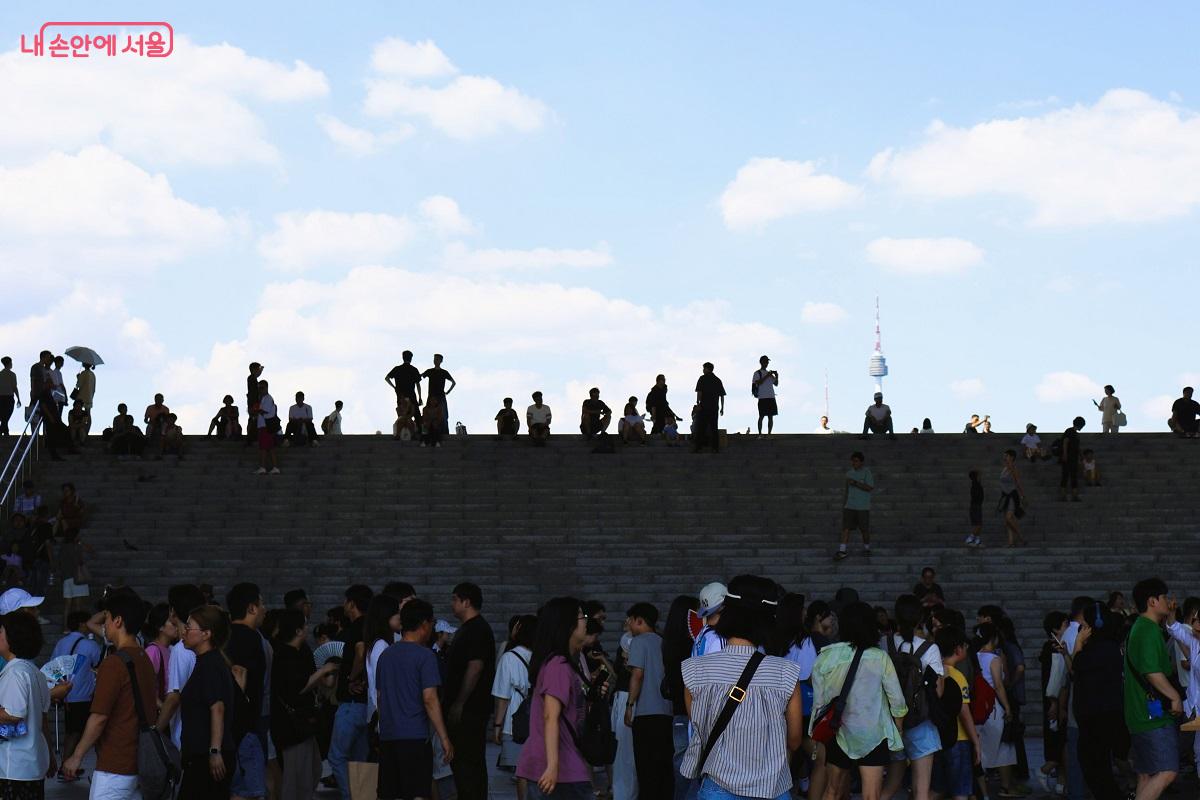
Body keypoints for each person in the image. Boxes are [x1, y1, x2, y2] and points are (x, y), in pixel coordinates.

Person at [679, 576, 803, 800]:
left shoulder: (694, 670)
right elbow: (794, 740)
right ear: (769, 621)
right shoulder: (786, 672)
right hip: (771, 788)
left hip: (718, 786)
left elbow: (702, 726)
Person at [62, 588, 157, 796]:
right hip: (138, 760)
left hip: (115, 766)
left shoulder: (114, 663)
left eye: (107, 618)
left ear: (118, 621)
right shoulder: (144, 658)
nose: (104, 625)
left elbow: (99, 717)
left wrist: (77, 755)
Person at [811, 600, 907, 800]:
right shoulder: (880, 658)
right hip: (873, 733)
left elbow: (819, 703)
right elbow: (897, 701)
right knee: (871, 795)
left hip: (837, 732)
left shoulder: (826, 657)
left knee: (832, 790)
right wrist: (898, 729)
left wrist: (817, 735)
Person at [376, 597, 454, 800]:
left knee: (390, 793)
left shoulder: (386, 655)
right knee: (418, 793)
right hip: (415, 736)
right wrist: (444, 738)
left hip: (388, 735)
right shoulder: (425, 656)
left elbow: (380, 696)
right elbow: (430, 699)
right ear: (424, 624)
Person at [516, 596, 591, 799]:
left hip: (560, 768)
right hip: (559, 772)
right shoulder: (558, 665)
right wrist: (552, 767)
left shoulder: (558, 663)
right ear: (567, 626)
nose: (585, 621)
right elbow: (551, 716)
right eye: (581, 616)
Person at [880, 595, 945, 800]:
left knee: (889, 784)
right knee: (921, 791)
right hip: (921, 722)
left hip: (889, 722)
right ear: (920, 619)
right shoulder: (930, 649)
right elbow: (939, 691)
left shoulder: (883, 644)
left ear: (895, 617)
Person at [1124, 578, 1181, 800]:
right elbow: (1151, 671)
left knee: (1146, 774)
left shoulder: (1141, 627)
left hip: (1139, 713)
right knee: (1167, 772)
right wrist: (1174, 696)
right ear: (1152, 601)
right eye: (1165, 597)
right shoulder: (1147, 630)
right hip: (1152, 717)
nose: (1168, 601)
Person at [271, 607, 335, 800]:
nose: (307, 627)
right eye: (305, 624)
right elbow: (298, 687)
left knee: (312, 769)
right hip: (291, 725)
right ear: (298, 630)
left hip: (305, 722)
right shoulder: (284, 655)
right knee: (297, 775)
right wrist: (324, 671)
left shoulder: (302, 650)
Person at [178, 604, 237, 799]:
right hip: (201, 756)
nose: (184, 632)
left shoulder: (210, 665)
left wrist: (214, 751)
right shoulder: (207, 662)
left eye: (189, 627)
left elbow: (217, 708)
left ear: (206, 634)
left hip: (207, 757)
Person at [445, 582, 496, 800]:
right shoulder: (470, 629)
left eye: (455, 599)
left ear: (466, 602)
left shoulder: (477, 629)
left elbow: (475, 667)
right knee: (467, 765)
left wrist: (460, 702)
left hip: (470, 711)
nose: (452, 604)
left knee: (467, 764)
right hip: (469, 709)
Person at [1070, 600, 1124, 800]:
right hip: (1109, 714)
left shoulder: (1092, 650)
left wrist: (1078, 644)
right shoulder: (1111, 647)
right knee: (1101, 766)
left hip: (1092, 717)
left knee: (1094, 766)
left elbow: (1075, 667)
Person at [622, 602, 673, 797]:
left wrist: (629, 705)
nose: (629, 625)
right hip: (666, 712)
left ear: (640, 620)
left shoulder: (639, 642)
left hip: (646, 714)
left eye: (631, 621)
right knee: (664, 768)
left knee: (646, 768)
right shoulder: (663, 642)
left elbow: (637, 674)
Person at [328, 584, 373, 800]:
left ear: (352, 604)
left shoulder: (356, 627)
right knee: (359, 760)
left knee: (337, 756)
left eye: (346, 602)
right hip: (366, 705)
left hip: (351, 704)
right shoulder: (372, 627)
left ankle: (351, 797)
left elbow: (360, 650)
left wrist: (351, 677)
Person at [0, 611, 53, 795]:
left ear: (12, 638)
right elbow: (43, 719)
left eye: (1, 632)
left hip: (15, 766)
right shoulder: (35, 672)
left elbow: (13, 715)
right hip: (33, 764)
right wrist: (51, 757)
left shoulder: (15, 673)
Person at [225, 582, 269, 800]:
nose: (264, 609)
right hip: (244, 730)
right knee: (247, 793)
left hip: (233, 729)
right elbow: (238, 673)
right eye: (262, 604)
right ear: (251, 608)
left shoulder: (227, 635)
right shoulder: (248, 637)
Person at [931, 627, 982, 800]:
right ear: (958, 649)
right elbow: (964, 713)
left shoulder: (933, 672)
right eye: (965, 646)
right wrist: (975, 742)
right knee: (960, 791)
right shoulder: (957, 676)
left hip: (937, 739)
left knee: (936, 789)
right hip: (958, 740)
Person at [971, 623, 1018, 796]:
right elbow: (999, 686)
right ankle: (1005, 786)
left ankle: (979, 789)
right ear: (994, 638)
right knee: (1001, 747)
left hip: (978, 707)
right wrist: (1008, 708)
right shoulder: (994, 659)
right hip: (993, 708)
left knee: (980, 748)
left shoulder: (974, 656)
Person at [493, 615, 536, 799]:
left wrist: (497, 726)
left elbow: (502, 696)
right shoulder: (541, 656)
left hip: (515, 721)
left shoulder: (508, 658)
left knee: (521, 772)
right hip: (538, 717)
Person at [364, 594, 402, 724]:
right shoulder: (381, 645)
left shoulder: (379, 643)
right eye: (397, 612)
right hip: (386, 717)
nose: (400, 616)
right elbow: (383, 686)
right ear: (385, 616)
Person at [836, 451, 874, 561]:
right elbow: (847, 490)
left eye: (856, 461)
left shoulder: (867, 472)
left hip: (862, 506)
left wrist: (856, 483)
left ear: (861, 462)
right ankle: (842, 550)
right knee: (846, 528)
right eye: (852, 461)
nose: (853, 463)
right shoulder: (849, 473)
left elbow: (870, 487)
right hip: (850, 506)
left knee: (864, 529)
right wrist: (844, 504)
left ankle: (866, 548)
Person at [143, 602, 177, 702]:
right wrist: (163, 709)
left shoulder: (171, 649)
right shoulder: (153, 651)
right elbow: (145, 687)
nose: (177, 626)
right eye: (173, 623)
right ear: (160, 627)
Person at [386, 351, 424, 437]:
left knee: (401, 415)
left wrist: (394, 386)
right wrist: (420, 397)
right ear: (411, 358)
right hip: (411, 395)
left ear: (403, 357)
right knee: (417, 415)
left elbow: (387, 378)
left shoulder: (397, 369)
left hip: (401, 396)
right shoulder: (414, 369)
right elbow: (418, 384)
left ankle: (400, 434)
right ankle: (419, 434)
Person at [693, 363, 726, 453]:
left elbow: (699, 392)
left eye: (704, 368)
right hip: (714, 407)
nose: (703, 370)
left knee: (701, 428)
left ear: (707, 369)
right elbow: (722, 396)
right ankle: (715, 448)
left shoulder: (702, 379)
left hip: (704, 407)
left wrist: (698, 403)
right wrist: (722, 408)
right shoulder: (717, 380)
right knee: (714, 428)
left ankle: (698, 447)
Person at [422, 354, 456, 437]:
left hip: (440, 397)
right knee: (428, 415)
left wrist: (447, 392)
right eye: (434, 359)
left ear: (440, 361)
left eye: (437, 359)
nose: (435, 361)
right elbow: (420, 376)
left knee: (443, 416)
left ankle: (444, 434)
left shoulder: (444, 372)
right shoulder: (429, 371)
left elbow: (453, 382)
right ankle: (426, 434)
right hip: (432, 396)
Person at [999, 450, 1027, 548]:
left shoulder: (1013, 468)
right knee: (1008, 521)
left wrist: (1023, 496)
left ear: (1011, 457)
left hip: (1011, 495)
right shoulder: (1005, 468)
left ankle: (1020, 537)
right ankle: (1011, 542)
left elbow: (1018, 482)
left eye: (1006, 455)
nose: (1004, 457)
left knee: (1008, 517)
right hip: (1005, 496)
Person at [254, 380, 281, 474]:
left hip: (266, 426)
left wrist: (257, 410)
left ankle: (265, 467)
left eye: (261, 388)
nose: (260, 390)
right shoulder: (263, 399)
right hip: (263, 426)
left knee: (265, 448)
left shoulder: (268, 398)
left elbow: (266, 411)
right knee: (267, 447)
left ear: (266, 387)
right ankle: (270, 467)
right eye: (259, 388)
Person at [1058, 417, 1085, 502]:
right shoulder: (1069, 431)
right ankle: (1063, 495)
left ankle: (1074, 495)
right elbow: (1065, 442)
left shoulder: (1076, 434)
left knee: (1073, 476)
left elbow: (1077, 446)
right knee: (1065, 475)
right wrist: (1065, 454)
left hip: (1074, 457)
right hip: (1068, 457)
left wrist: (1081, 455)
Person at [753, 355, 780, 435]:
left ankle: (769, 434)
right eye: (766, 361)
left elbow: (776, 384)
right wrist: (767, 375)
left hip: (771, 396)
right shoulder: (757, 373)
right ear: (761, 362)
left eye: (767, 362)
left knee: (770, 417)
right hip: (762, 397)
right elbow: (758, 383)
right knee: (761, 416)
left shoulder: (769, 374)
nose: (767, 363)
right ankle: (760, 434)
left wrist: (776, 376)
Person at [245, 362, 264, 447]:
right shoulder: (252, 379)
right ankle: (250, 438)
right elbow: (253, 393)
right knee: (254, 420)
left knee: (253, 420)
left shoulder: (251, 379)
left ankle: (251, 438)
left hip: (252, 403)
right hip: (253, 403)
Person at [0, 357, 19, 436]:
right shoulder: (12, 375)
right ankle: (4, 431)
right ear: (9, 363)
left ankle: (5, 431)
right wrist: (18, 398)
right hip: (9, 398)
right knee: (6, 416)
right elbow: (14, 387)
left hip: (1, 397)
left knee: (3, 416)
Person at [966, 470, 984, 547]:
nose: (980, 477)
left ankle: (977, 540)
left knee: (979, 524)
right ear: (976, 477)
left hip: (977, 506)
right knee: (978, 525)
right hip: (976, 506)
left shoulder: (977, 485)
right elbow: (977, 496)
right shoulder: (976, 485)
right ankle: (969, 540)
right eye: (979, 475)